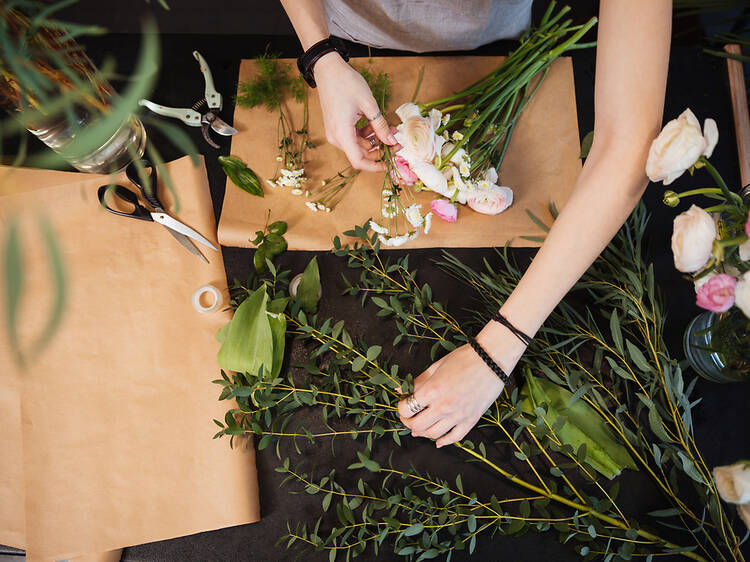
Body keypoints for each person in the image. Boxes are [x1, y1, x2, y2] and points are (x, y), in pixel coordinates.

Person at [281, 0, 671, 447]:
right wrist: (320, 55)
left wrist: (497, 350)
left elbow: (630, 144)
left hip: (492, 40)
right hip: (338, 31)